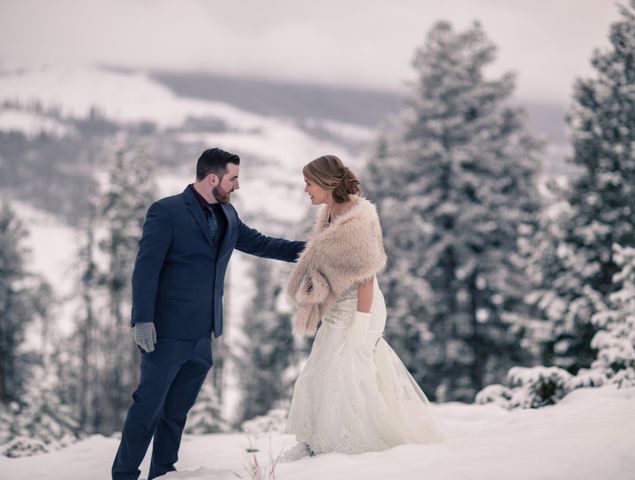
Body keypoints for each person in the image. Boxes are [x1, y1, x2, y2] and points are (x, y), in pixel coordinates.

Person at [112, 148, 305, 480]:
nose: (237, 186)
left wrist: (315, 250)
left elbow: (262, 243)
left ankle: (163, 474)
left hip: (204, 334)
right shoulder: (167, 211)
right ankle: (125, 474)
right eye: (234, 179)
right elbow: (146, 268)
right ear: (213, 178)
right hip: (165, 333)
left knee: (176, 413)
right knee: (147, 409)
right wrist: (141, 318)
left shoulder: (228, 216)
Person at [285, 154, 445, 455]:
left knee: (343, 372)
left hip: (360, 307)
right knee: (321, 369)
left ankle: (348, 446)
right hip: (337, 309)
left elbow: (366, 280)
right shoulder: (330, 213)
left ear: (325, 183)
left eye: (308, 183)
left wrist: (360, 325)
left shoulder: (356, 221)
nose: (305, 189)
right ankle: (322, 441)